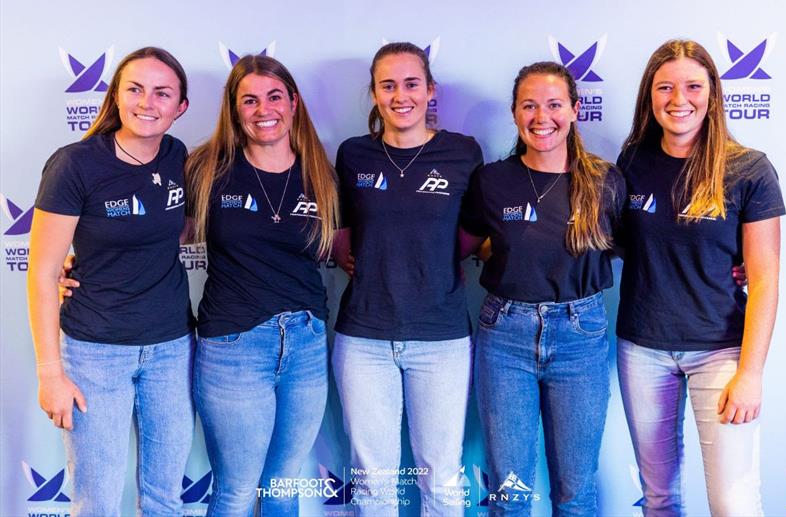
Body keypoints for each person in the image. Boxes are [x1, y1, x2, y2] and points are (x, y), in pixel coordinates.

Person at [615, 39, 784, 516]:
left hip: (721, 352)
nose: (678, 99)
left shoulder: (748, 168)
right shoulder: (632, 162)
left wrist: (751, 374)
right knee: (659, 497)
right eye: (665, 87)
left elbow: (766, 278)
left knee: (733, 501)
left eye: (692, 86)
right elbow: (624, 241)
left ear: (713, 94)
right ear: (650, 96)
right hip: (643, 349)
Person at [27, 47, 194, 516]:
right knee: (97, 501)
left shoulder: (177, 156)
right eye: (135, 89)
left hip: (172, 348)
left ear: (180, 107)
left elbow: (174, 229)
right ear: (116, 97)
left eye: (163, 93)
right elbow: (42, 273)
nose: (148, 102)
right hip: (96, 353)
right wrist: (50, 374)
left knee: (166, 499)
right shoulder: (75, 164)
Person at [459, 61, 625, 515]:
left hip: (581, 337)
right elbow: (462, 244)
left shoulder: (606, 181)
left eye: (554, 105)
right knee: (510, 493)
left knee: (575, 492)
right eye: (529, 105)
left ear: (574, 110)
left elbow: (647, 247)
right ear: (515, 113)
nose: (541, 117)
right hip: (505, 336)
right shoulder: (491, 180)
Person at [331, 42, 483, 516]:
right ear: (375, 94)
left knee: (441, 475)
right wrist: (355, 257)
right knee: (373, 481)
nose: (401, 96)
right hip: (364, 337)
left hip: (441, 337)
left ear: (430, 89)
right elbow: (340, 231)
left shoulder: (461, 152)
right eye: (388, 85)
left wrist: (431, 260)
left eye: (412, 83)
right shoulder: (353, 154)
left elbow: (475, 231)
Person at [184, 54, 338, 516]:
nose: (262, 109)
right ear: (234, 109)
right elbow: (154, 236)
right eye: (248, 100)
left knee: (283, 485)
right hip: (234, 346)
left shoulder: (321, 173)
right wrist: (82, 261)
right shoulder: (206, 170)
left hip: (307, 344)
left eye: (273, 96)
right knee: (236, 488)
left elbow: (347, 250)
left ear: (292, 102)